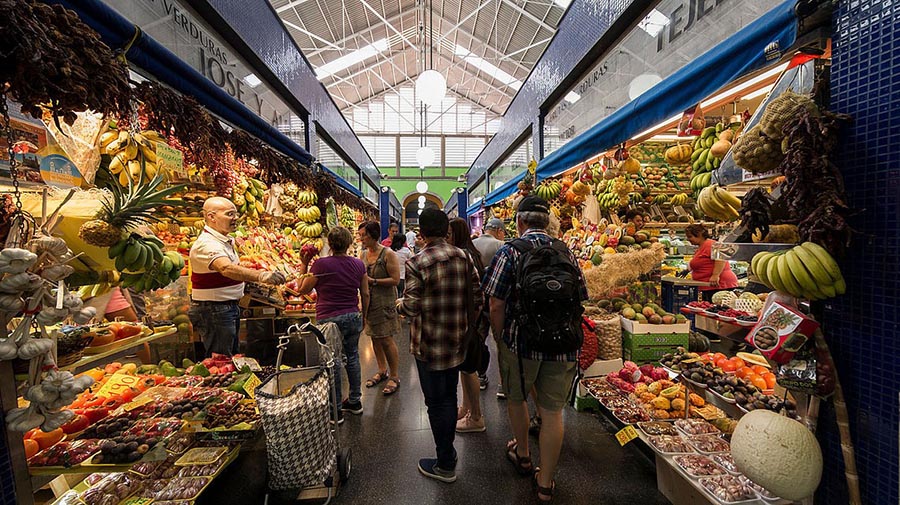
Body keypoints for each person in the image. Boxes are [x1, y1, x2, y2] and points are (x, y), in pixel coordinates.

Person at [483, 195, 587, 502]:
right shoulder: (566, 251)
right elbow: (581, 296)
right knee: (553, 412)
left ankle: (524, 454)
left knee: (517, 399)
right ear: (547, 222)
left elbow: (495, 302)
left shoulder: (510, 252)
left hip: (522, 342)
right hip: (564, 344)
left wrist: (501, 337)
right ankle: (545, 483)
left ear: (519, 222)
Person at [398, 208, 482, 483]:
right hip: (458, 341)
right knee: (449, 396)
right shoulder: (464, 256)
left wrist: (399, 304)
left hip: (429, 346)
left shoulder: (416, 262)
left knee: (437, 403)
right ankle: (448, 455)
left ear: (421, 233)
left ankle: (445, 463)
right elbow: (477, 296)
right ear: (447, 230)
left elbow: (410, 308)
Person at [188, 197, 285, 356]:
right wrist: (261, 275)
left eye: (236, 214)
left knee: (229, 356)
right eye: (230, 214)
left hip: (224, 308)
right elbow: (225, 268)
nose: (235, 218)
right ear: (212, 217)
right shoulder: (207, 243)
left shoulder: (223, 240)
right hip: (214, 309)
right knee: (221, 359)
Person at [295, 226, 370, 419]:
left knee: (332, 362)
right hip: (352, 315)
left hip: (328, 318)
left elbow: (302, 289)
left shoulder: (320, 265)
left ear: (329, 243)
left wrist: (304, 263)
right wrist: (365, 316)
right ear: (349, 243)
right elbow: (366, 293)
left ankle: (335, 409)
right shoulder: (358, 264)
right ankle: (355, 401)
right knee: (352, 357)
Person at [448, 218, 489, 434]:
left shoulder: (465, 256)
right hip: (473, 320)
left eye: (449, 233)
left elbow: (476, 295)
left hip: (471, 322)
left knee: (469, 368)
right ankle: (467, 408)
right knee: (466, 368)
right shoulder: (469, 253)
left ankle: (476, 416)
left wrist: (470, 322)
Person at [358, 221, 403, 395]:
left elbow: (396, 280)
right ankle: (381, 370)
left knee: (385, 338)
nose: (361, 238)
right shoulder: (362, 254)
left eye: (364, 235)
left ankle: (395, 376)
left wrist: (373, 281)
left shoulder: (388, 254)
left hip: (384, 302)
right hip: (369, 302)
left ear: (373, 235)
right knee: (374, 338)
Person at [685, 224, 739, 300]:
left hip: (719, 285)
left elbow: (721, 257)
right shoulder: (702, 246)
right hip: (710, 287)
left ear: (699, 235)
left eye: (690, 236)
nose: (688, 239)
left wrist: (715, 275)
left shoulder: (710, 244)